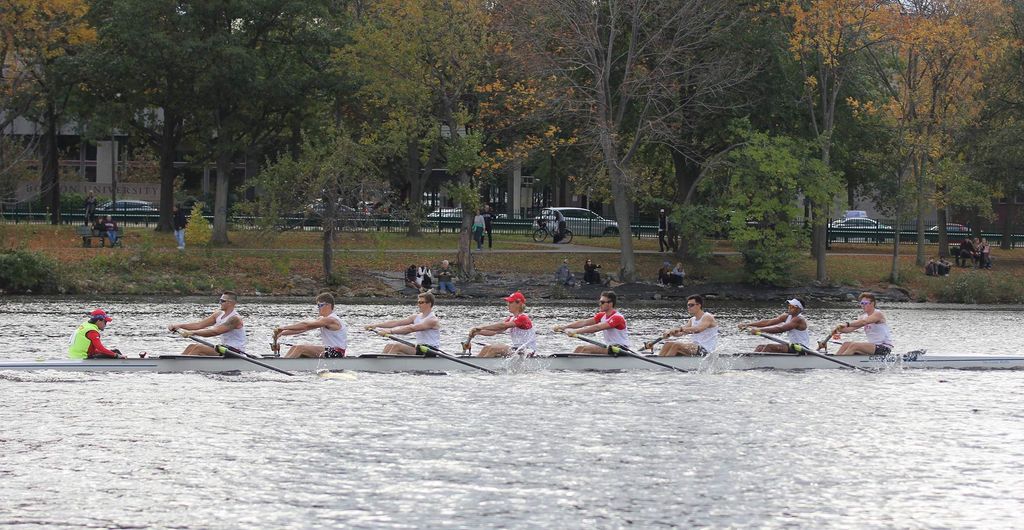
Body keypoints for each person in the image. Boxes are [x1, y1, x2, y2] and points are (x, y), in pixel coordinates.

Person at [167, 291, 246, 356]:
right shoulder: (218, 314)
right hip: (224, 348)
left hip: (235, 351)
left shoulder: (235, 319)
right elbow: (198, 325)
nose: (219, 302)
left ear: (230, 303)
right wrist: (179, 326)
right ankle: (178, 363)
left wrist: (192, 333)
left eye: (222, 301)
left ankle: (182, 367)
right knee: (191, 346)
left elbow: (215, 331)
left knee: (199, 348)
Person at [272, 293, 348, 358]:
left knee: (300, 348)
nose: (318, 308)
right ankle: (283, 362)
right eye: (318, 306)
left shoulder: (331, 320)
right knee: (294, 347)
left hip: (337, 353)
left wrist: (283, 327)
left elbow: (305, 325)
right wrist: (282, 333)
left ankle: (282, 365)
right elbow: (303, 329)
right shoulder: (322, 319)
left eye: (320, 305)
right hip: (330, 351)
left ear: (328, 305)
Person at [553, 291, 629, 354]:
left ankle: (576, 366)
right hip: (610, 346)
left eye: (602, 302)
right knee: (579, 348)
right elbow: (584, 322)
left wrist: (575, 331)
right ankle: (571, 366)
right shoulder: (602, 315)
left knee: (586, 350)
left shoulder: (617, 318)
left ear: (610, 304)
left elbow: (597, 328)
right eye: (600, 302)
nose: (600, 304)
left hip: (620, 348)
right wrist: (565, 327)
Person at [364, 292, 441, 355]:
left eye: (421, 302)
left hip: (430, 350)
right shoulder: (416, 317)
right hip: (420, 348)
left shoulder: (432, 320)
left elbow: (411, 329)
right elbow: (397, 322)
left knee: (397, 346)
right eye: (418, 302)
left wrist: (390, 331)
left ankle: (383, 367)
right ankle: (381, 362)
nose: (418, 305)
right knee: (389, 346)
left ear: (429, 304)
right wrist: (376, 325)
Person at [466, 291, 537, 357]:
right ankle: (474, 364)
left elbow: (502, 325)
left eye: (510, 302)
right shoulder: (511, 318)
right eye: (508, 302)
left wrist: (481, 327)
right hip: (517, 349)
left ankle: (480, 365)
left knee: (494, 349)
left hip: (527, 351)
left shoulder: (523, 318)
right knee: (487, 347)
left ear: (518, 303)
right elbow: (495, 331)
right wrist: (477, 332)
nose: (508, 305)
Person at [828, 292, 893, 356]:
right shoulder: (863, 316)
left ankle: (841, 362)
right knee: (846, 344)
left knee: (855, 345)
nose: (863, 305)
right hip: (873, 347)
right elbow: (849, 329)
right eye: (862, 303)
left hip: (884, 348)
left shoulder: (878, 314)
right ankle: (834, 361)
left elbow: (864, 322)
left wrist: (846, 324)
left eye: (865, 303)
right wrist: (837, 330)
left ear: (872, 303)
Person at [738, 298, 810, 353]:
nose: (790, 308)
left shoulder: (799, 319)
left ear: (799, 309)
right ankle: (751, 363)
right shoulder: (786, 316)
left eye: (793, 307)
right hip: (792, 345)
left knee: (769, 347)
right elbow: (768, 322)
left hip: (801, 348)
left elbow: (781, 329)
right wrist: (747, 324)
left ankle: (759, 365)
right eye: (789, 306)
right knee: (760, 347)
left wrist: (759, 330)